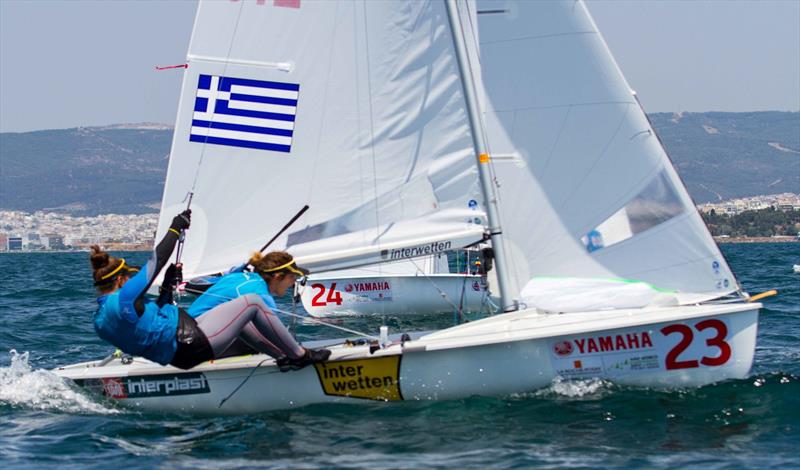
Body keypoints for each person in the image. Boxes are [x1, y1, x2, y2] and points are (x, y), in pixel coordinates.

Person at [90, 210, 329, 371]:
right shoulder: (124, 299)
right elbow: (156, 261)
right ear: (122, 280)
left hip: (180, 346)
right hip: (189, 344)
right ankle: (299, 356)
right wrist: (174, 229)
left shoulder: (100, 321)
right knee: (253, 303)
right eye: (130, 278)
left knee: (241, 317)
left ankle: (284, 358)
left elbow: (149, 329)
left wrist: (165, 289)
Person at [188, 250, 327, 370]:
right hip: (198, 343)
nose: (293, 282)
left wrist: (237, 269)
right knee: (271, 336)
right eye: (292, 277)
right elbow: (272, 336)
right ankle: (294, 358)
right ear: (277, 276)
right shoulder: (261, 295)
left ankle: (291, 355)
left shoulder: (238, 276)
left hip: (188, 333)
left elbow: (193, 283)